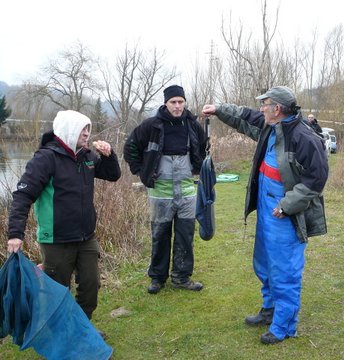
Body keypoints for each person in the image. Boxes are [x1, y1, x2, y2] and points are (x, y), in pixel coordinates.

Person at [202, 86, 328, 345]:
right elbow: (243, 117)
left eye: (266, 104)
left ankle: (284, 325)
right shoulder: (270, 126)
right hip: (265, 210)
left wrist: (287, 206)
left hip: (284, 214)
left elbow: (316, 180)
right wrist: (218, 109)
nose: (261, 108)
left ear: (277, 109)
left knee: (285, 271)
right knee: (264, 264)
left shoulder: (304, 138)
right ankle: (269, 309)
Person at [7, 110, 121, 337]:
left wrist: (109, 156)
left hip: (86, 236)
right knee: (58, 292)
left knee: (91, 286)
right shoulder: (46, 158)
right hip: (55, 239)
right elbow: (23, 195)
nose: (87, 133)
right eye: (83, 129)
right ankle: (61, 334)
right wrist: (15, 233)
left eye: (88, 129)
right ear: (69, 130)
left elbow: (113, 175)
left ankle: (80, 328)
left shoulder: (87, 156)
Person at [124, 85, 206, 294]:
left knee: (185, 235)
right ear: (166, 103)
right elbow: (130, 147)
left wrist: (199, 167)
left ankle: (181, 276)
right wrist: (141, 171)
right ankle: (157, 278)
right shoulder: (151, 126)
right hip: (160, 192)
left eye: (180, 102)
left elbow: (204, 148)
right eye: (173, 102)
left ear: (184, 102)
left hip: (187, 191)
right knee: (160, 235)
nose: (177, 106)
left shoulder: (193, 125)